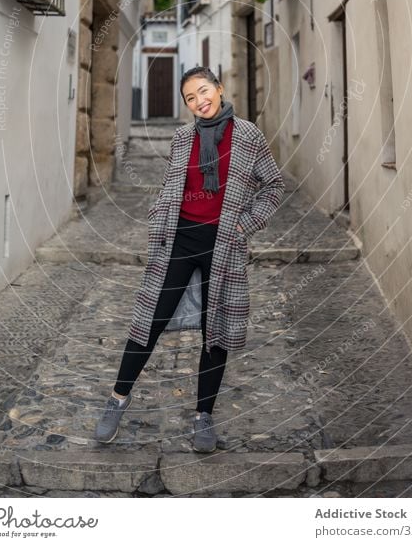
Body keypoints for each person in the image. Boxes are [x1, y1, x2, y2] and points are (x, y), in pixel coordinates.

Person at [94, 66, 285, 452]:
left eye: (204, 91)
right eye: (191, 99)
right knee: (150, 319)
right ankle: (117, 400)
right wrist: (160, 210)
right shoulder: (183, 138)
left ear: (219, 88)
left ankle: (203, 417)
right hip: (178, 240)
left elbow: (274, 185)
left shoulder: (248, 136)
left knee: (214, 330)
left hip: (225, 243)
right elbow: (173, 183)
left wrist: (245, 224)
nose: (200, 102)